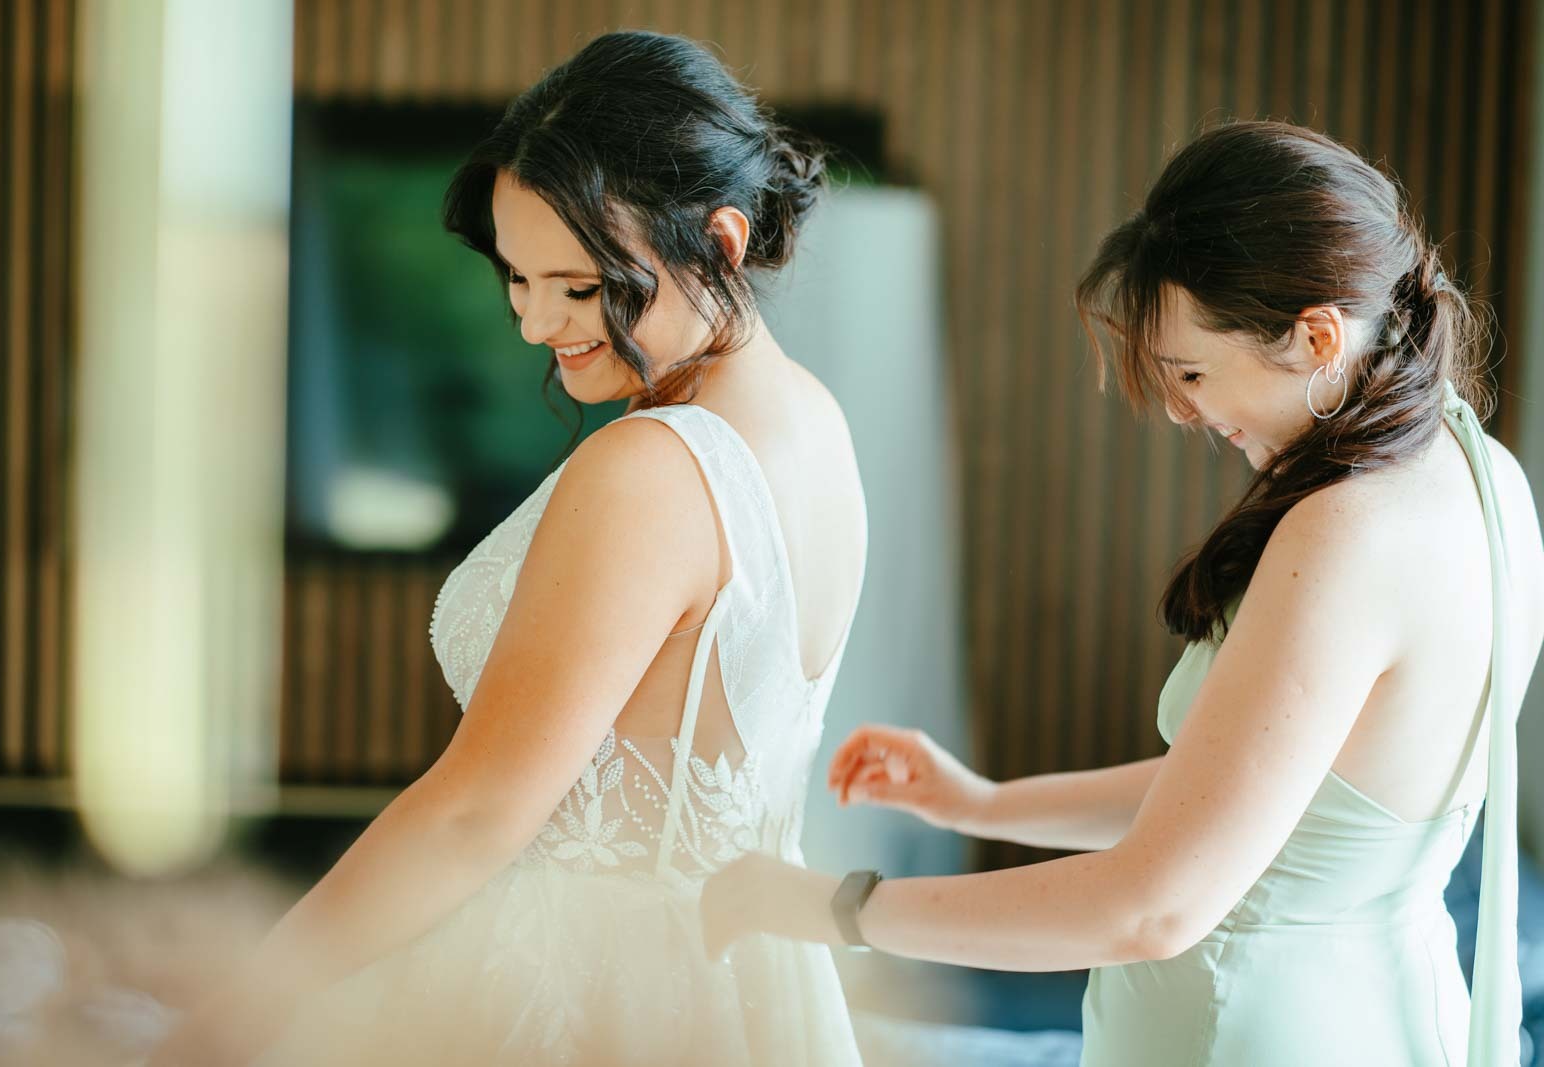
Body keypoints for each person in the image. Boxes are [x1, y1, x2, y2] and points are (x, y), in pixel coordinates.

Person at [702, 120, 1544, 1066]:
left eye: (1192, 372)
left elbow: (1152, 906)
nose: (1182, 410)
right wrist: (984, 802)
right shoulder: (1483, 473)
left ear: (1316, 336)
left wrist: (833, 907)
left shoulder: (1346, 534)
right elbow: (1257, 796)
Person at [148, 30, 868, 1067]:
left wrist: (236, 1014)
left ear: (718, 241)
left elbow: (475, 814)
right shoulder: (811, 417)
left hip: (597, 989)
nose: (535, 323)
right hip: (752, 986)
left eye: (577, 287)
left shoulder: (654, 466)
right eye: (518, 278)